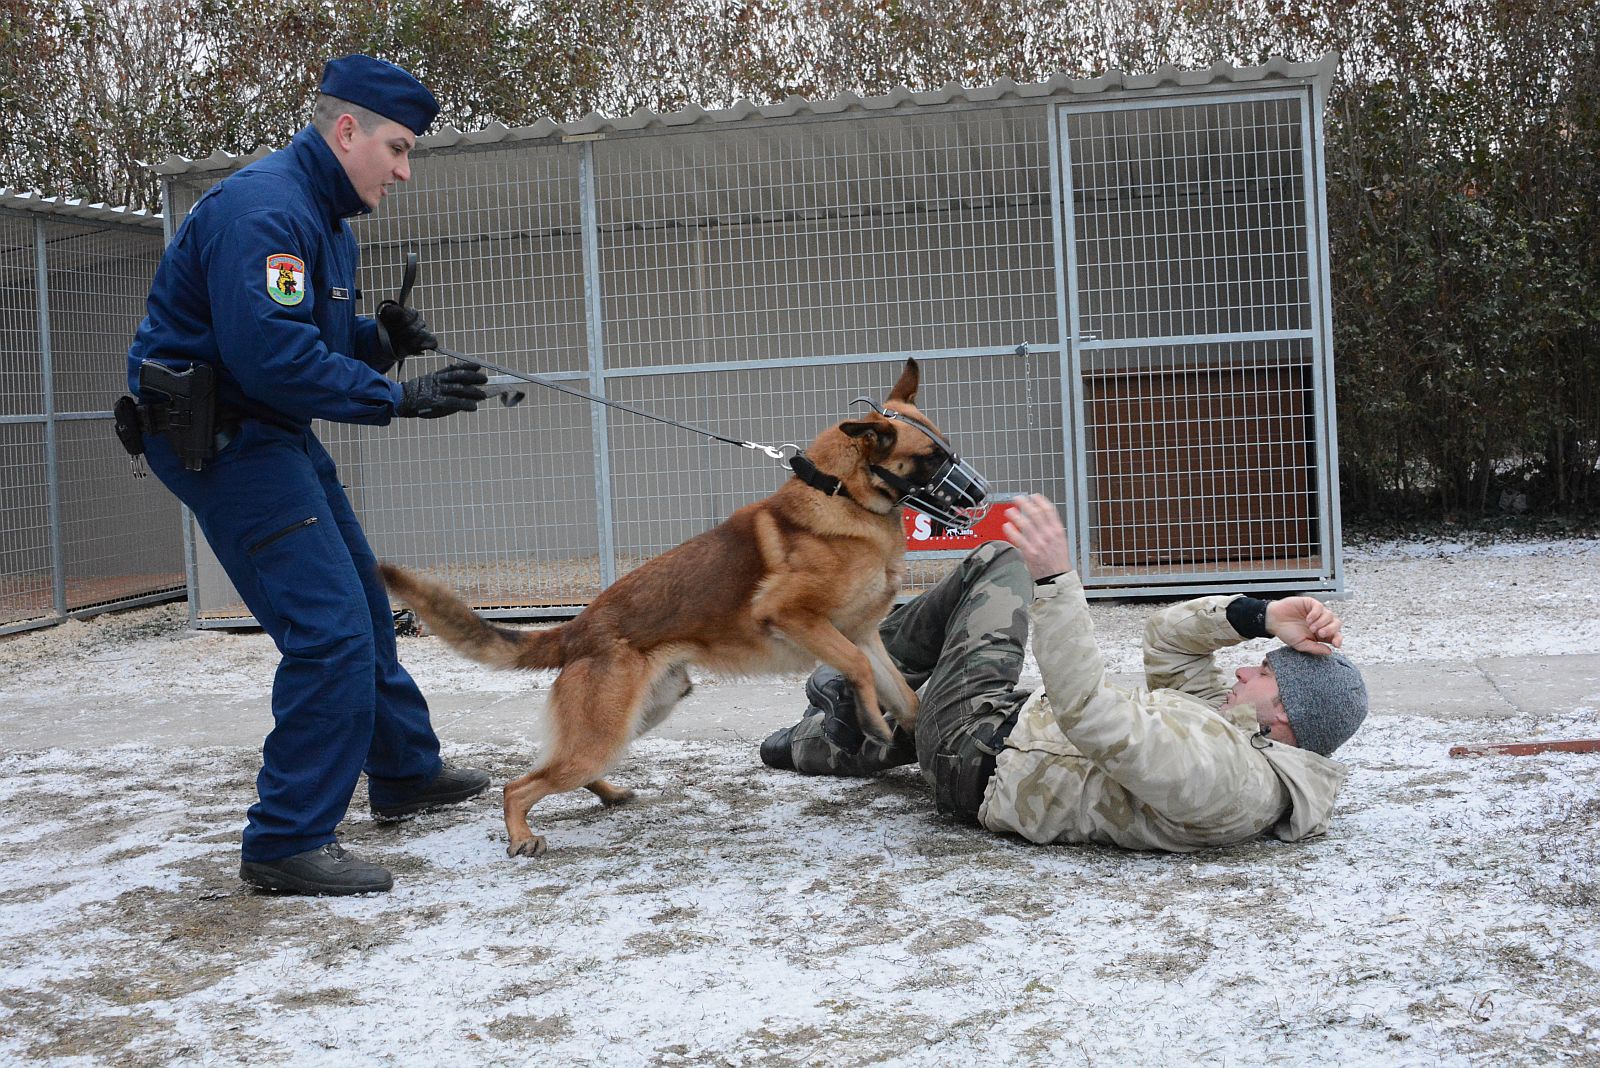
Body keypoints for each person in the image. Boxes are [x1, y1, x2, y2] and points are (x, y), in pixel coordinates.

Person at [126, 55, 495, 895]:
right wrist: (397, 398)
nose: (404, 170)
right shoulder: (265, 209)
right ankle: (286, 840)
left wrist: (377, 341)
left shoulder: (324, 219)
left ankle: (404, 772)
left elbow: (302, 337)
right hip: (222, 439)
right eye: (397, 149)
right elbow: (273, 358)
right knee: (327, 628)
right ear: (346, 131)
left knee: (361, 604)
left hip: (269, 428)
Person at [760, 494, 1369, 851]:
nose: (1242, 674)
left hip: (980, 755)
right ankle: (816, 740)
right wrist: (1259, 616)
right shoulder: (1240, 734)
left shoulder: (1229, 775)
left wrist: (1054, 579)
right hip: (1003, 737)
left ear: (1287, 707)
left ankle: (848, 671)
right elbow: (1168, 644)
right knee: (824, 741)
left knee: (1002, 563)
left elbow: (1091, 712)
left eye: (1262, 671)